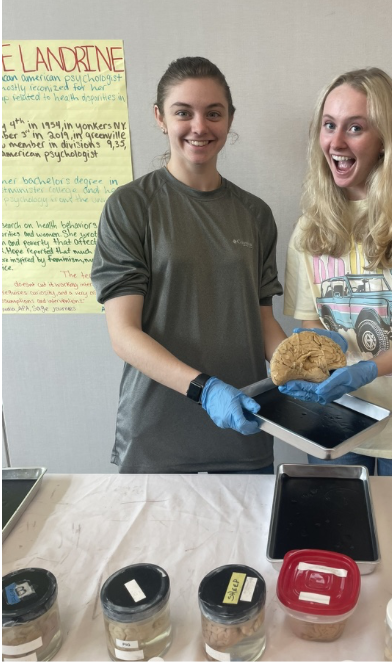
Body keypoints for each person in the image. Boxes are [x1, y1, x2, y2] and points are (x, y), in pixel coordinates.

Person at [91, 56, 287, 474]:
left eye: (213, 113)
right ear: (160, 118)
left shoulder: (255, 214)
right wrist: (205, 389)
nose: (200, 126)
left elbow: (262, 321)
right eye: (183, 112)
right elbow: (123, 334)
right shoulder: (131, 207)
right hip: (156, 439)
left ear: (229, 119)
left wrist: (298, 367)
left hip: (243, 430)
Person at [281, 68, 392, 476]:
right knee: (336, 519)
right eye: (329, 125)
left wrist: (368, 368)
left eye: (355, 127)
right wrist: (319, 347)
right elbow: (310, 320)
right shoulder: (309, 228)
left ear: (384, 139)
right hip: (333, 423)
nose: (336, 142)